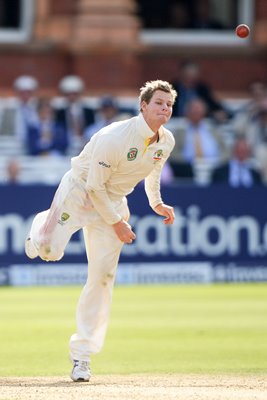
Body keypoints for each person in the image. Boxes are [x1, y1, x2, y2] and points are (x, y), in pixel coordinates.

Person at [24, 80, 177, 382]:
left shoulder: (166, 140)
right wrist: (118, 223)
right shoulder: (114, 137)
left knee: (103, 278)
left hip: (114, 200)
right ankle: (42, 227)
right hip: (80, 191)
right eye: (159, 103)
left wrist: (156, 202)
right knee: (49, 251)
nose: (165, 109)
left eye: (169, 104)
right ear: (143, 105)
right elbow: (94, 186)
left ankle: (81, 356)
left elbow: (153, 173)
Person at [0, 75, 39, 139]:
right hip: (12, 143)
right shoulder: (8, 107)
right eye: (22, 92)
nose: (25, 95)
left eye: (28, 92)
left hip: (30, 144)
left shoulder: (35, 108)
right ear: (17, 92)